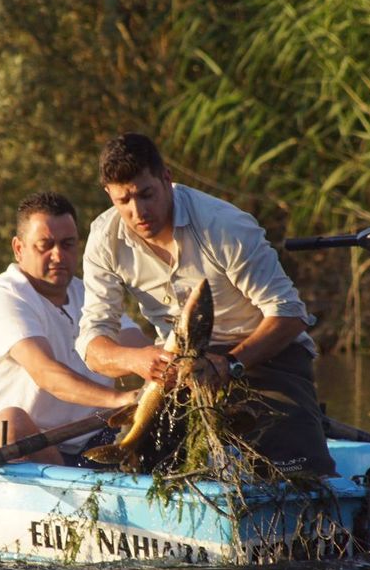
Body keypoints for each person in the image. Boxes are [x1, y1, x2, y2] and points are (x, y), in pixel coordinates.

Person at [76, 132, 336, 476]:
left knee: (299, 476)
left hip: (263, 358)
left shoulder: (223, 225)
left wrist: (230, 364)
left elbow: (289, 315)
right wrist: (136, 359)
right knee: (140, 467)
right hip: (175, 369)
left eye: (146, 194)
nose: (138, 211)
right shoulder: (103, 239)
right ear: (109, 194)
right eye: (124, 200)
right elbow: (93, 345)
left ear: (167, 179)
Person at [0, 191, 143, 465]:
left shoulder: (89, 293)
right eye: (46, 245)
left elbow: (134, 346)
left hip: (89, 438)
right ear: (19, 248)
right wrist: (120, 400)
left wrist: (165, 361)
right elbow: (46, 373)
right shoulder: (5, 296)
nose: (58, 255)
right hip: (8, 445)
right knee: (12, 423)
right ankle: (72, 491)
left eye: (67, 244)